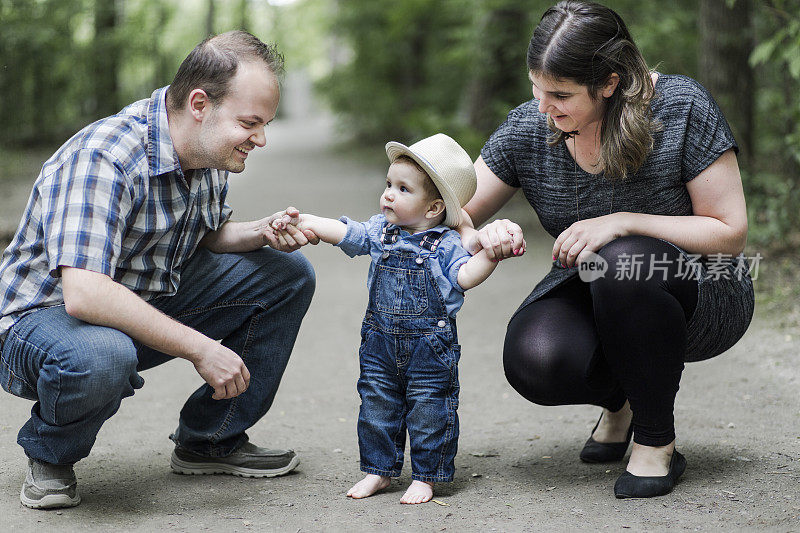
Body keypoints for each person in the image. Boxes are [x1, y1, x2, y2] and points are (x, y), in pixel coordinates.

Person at [0, 31, 319, 510]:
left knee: (287, 271)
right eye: (251, 123)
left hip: (135, 302)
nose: (261, 138)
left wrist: (260, 232)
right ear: (199, 103)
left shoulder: (207, 149)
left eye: (265, 124)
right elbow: (84, 293)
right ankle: (50, 456)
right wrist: (201, 349)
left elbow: (207, 236)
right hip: (43, 323)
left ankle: (210, 441)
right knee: (103, 355)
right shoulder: (105, 156)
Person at [458, 0, 754, 498]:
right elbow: (454, 209)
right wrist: (478, 235)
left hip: (702, 288)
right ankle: (623, 400)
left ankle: (656, 441)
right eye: (536, 88)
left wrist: (621, 222)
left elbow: (729, 232)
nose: (543, 107)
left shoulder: (681, 107)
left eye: (561, 94)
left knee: (622, 260)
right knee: (536, 360)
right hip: (596, 284)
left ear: (610, 82)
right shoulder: (530, 128)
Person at [272, 134, 512, 504]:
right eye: (388, 185)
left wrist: (491, 257)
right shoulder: (382, 232)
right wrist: (309, 221)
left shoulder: (447, 244)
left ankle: (426, 476)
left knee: (430, 407)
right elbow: (348, 233)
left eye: (402, 189)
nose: (388, 194)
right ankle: (378, 471)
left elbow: (464, 277)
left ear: (433, 208)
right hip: (379, 344)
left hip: (430, 348)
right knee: (376, 405)